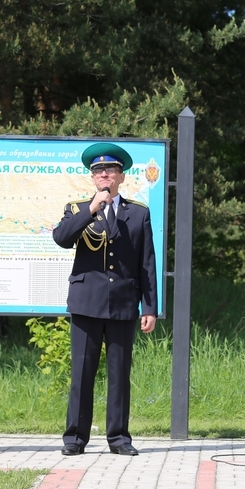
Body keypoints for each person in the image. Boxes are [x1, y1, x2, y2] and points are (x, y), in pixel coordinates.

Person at [53, 142, 157, 456]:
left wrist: (149, 306)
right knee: (82, 373)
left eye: (110, 171)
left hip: (123, 303)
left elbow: (146, 263)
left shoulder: (137, 213)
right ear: (92, 178)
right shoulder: (77, 209)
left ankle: (119, 438)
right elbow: (61, 238)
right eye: (98, 171)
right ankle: (75, 438)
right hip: (86, 303)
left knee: (119, 373)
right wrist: (91, 209)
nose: (104, 176)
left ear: (121, 177)